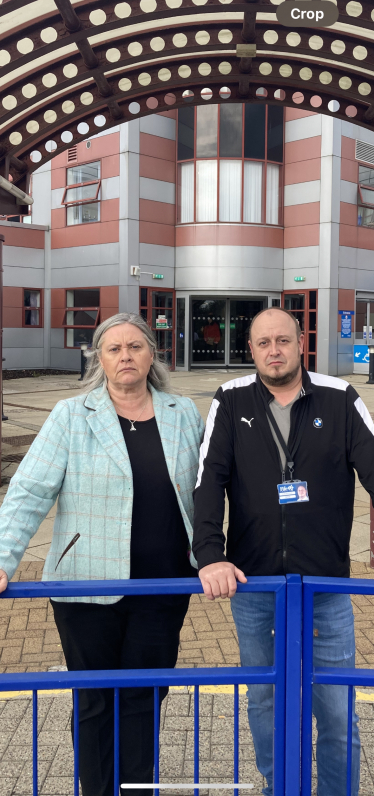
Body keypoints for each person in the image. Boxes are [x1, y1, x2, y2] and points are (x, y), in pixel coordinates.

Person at [0, 312, 204, 796]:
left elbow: (208, 489)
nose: (126, 356)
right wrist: (3, 557)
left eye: (135, 346)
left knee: (145, 698)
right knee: (94, 701)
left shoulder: (184, 412)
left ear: (152, 354)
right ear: (100, 358)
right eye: (114, 349)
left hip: (164, 588)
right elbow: (28, 492)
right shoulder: (72, 415)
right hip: (86, 588)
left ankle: (136, 789)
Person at [192, 306, 374, 796]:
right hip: (255, 585)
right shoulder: (230, 400)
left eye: (283, 341)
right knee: (266, 700)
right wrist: (209, 554)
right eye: (263, 343)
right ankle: (281, 787)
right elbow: (208, 480)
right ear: (251, 350)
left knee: (336, 707)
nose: (274, 351)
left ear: (300, 344)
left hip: (325, 586)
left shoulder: (341, 398)